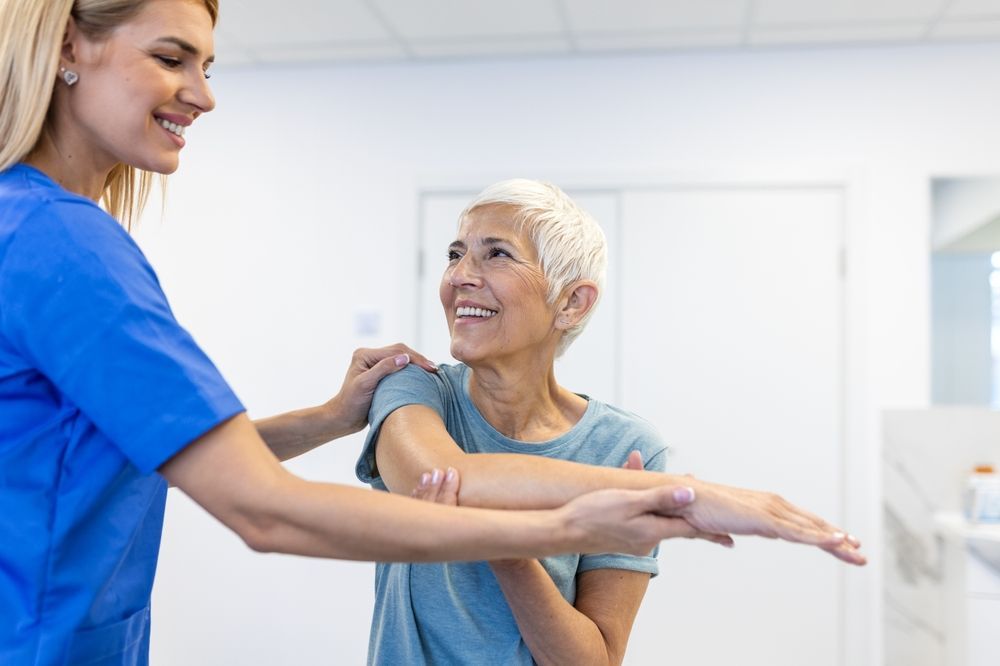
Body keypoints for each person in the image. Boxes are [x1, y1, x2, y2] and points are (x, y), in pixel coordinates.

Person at [0, 2, 861, 664]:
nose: (205, 92)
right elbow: (269, 505)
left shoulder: (51, 234)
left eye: (497, 255)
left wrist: (335, 417)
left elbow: (144, 451)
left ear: (573, 302)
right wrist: (633, 507)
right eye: (171, 56)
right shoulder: (61, 245)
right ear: (69, 46)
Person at [357, 179, 866, 665]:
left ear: (572, 303)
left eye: (497, 253)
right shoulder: (414, 387)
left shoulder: (623, 446)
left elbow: (592, 661)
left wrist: (510, 550)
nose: (459, 275)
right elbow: (436, 479)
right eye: (455, 253)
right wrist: (673, 494)